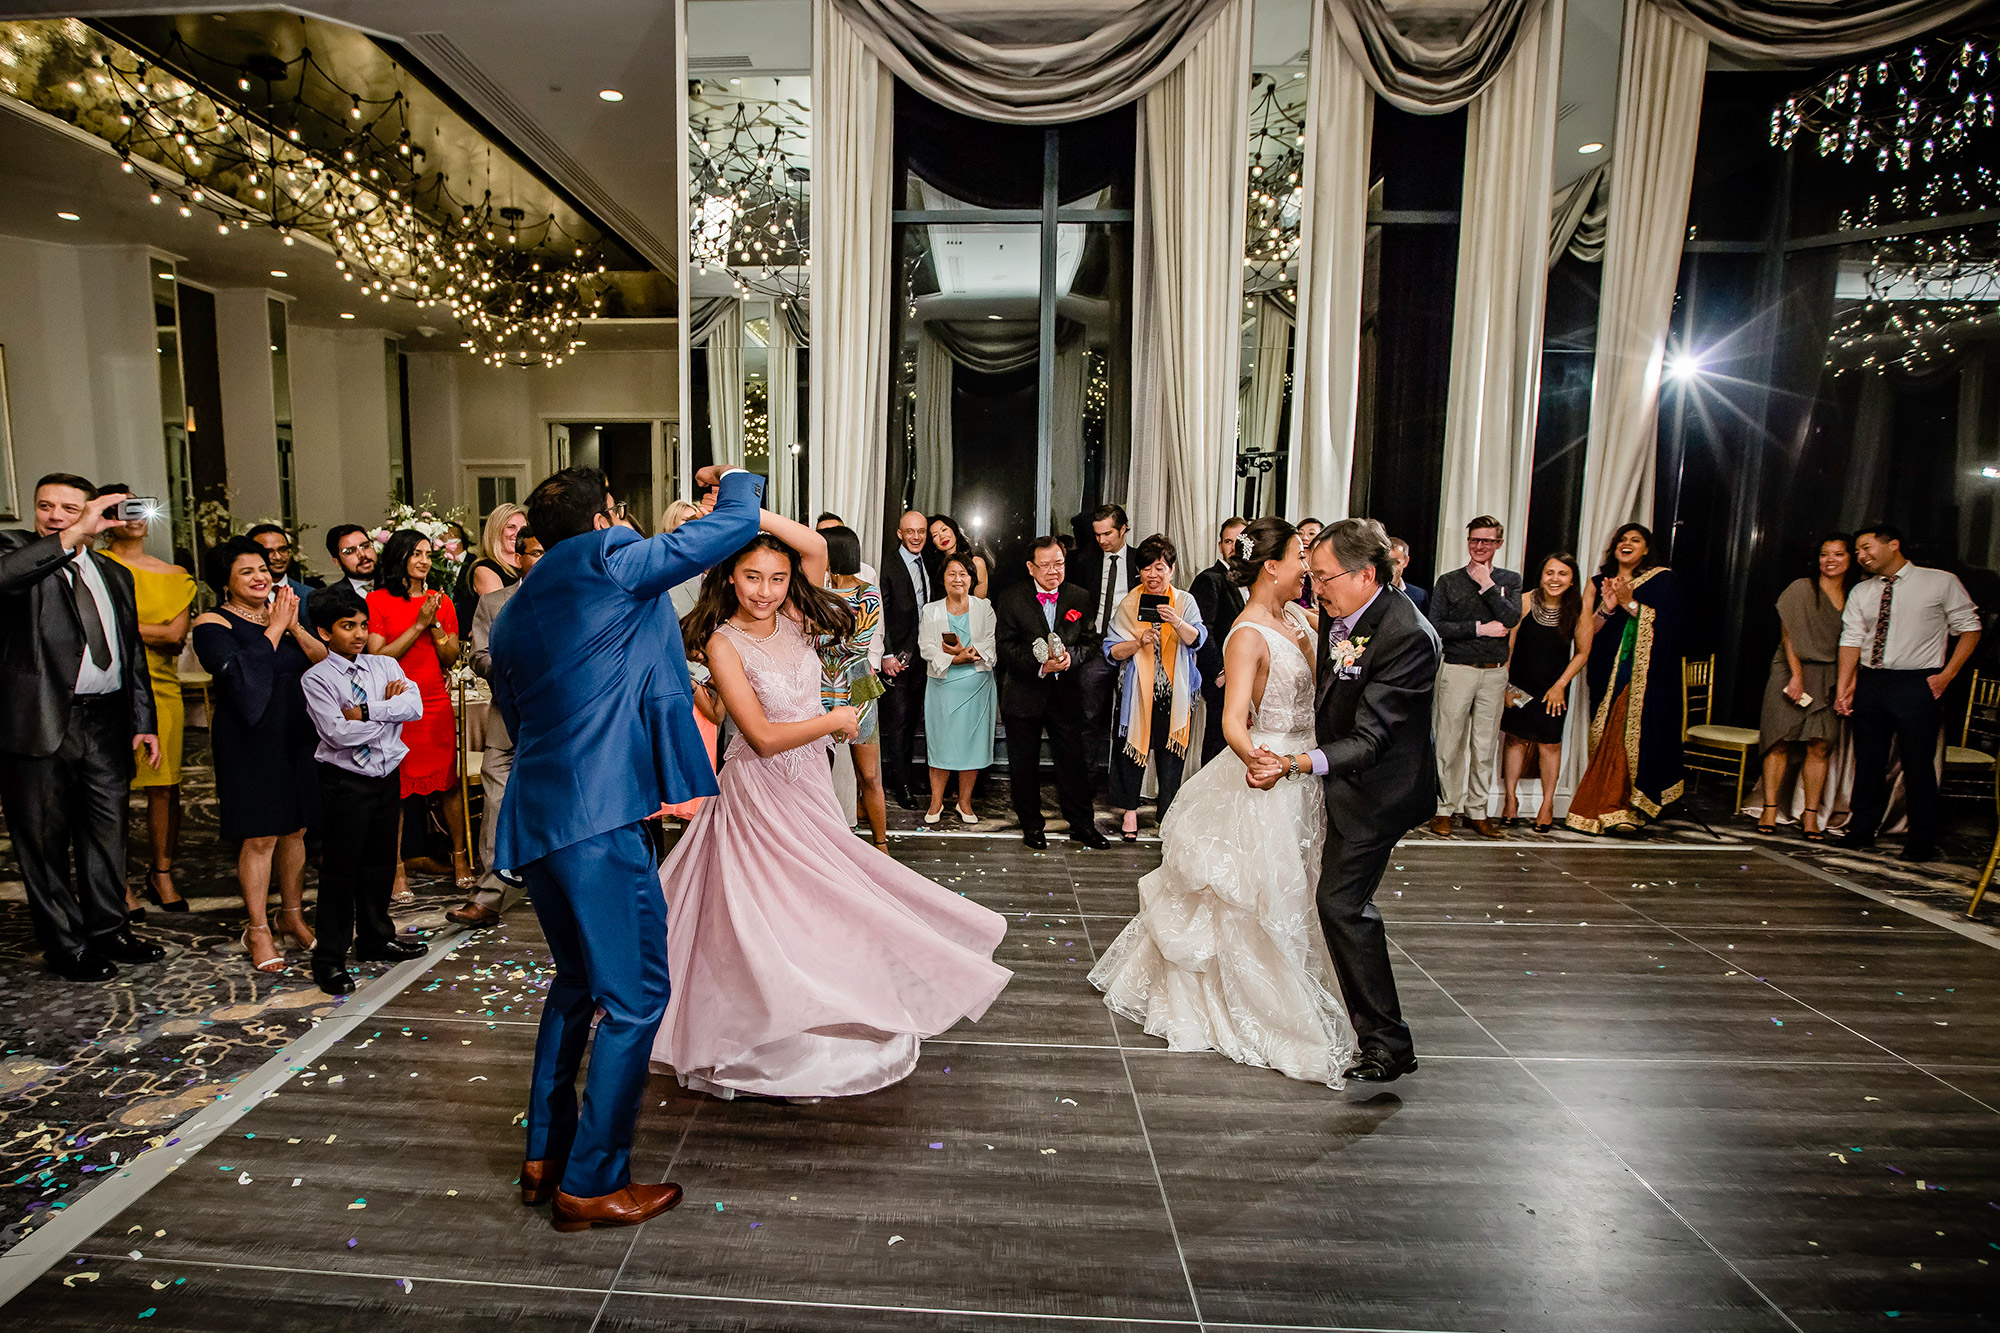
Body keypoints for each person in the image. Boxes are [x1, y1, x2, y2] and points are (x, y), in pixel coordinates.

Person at [651, 515, 1011, 1101]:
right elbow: (761, 737)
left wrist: (747, 507)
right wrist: (835, 720)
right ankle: (769, 1035)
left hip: (810, 784)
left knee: (822, 900)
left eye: (776, 577)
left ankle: (824, 1009)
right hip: (759, 795)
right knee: (772, 911)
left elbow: (817, 544)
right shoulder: (722, 642)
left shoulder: (796, 618)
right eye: (751, 577)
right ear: (730, 578)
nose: (764, 590)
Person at [489, 461, 759, 1232]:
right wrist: (736, 479)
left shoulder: (512, 610)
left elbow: (516, 713)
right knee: (636, 997)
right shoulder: (610, 558)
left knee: (577, 981)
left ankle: (545, 1154)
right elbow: (731, 528)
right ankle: (591, 1182)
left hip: (538, 819)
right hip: (600, 817)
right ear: (607, 515)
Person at [1092, 517, 1357, 1083]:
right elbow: (1234, 721)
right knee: (1259, 898)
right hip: (1269, 776)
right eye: (1298, 557)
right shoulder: (1246, 634)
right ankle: (1269, 1008)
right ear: (1272, 567)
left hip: (1306, 769)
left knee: (1304, 887)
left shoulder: (1299, 620)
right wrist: (1261, 758)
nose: (1306, 566)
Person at [1246, 517, 1438, 1083]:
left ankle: (1388, 1043)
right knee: (1322, 895)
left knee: (1340, 903)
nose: (1316, 586)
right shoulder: (1346, 614)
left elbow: (1373, 739)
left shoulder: (1407, 635)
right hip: (1340, 777)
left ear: (1366, 575)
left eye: (1325, 577)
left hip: (1379, 791)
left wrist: (1293, 764)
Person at [0, 474, 164, 982]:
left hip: (106, 720)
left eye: (69, 508)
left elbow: (131, 653)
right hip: (41, 720)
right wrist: (70, 536)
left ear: (90, 511)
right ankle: (65, 945)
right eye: (45, 505)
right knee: (44, 844)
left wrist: (143, 720)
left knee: (106, 835)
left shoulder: (114, 574)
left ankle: (108, 929)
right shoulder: (18, 553)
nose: (54, 515)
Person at [192, 536, 328, 973]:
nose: (260, 576)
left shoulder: (281, 615)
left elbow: (323, 660)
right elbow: (240, 674)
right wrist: (273, 627)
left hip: (296, 731)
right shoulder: (212, 623)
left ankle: (292, 916)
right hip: (249, 738)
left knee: (296, 830)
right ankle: (257, 928)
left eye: (262, 568)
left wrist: (291, 625)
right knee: (260, 835)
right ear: (226, 582)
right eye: (246, 571)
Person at [300, 585, 427, 994]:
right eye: (347, 626)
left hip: (386, 777)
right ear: (324, 632)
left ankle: (374, 937)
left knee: (380, 863)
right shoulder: (317, 679)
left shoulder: (384, 667)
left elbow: (415, 707)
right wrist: (388, 718)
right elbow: (338, 733)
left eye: (363, 625)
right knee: (340, 871)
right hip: (345, 784)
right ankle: (330, 959)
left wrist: (369, 711)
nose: (358, 633)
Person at [1837, 524, 1981, 862]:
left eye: (1866, 547)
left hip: (1917, 682)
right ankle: (1861, 830)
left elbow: (1970, 629)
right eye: (1857, 550)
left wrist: (1946, 676)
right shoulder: (1862, 591)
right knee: (1868, 760)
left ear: (1893, 545)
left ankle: (1921, 839)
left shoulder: (1939, 582)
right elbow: (1851, 639)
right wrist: (1845, 686)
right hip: (1872, 681)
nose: (1861, 556)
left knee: (1918, 764)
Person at [98, 485, 196, 916]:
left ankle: (161, 872)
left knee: (165, 785)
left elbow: (175, 636)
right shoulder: (94, 566)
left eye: (139, 506)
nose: (132, 515)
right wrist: (147, 631)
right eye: (120, 508)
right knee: (110, 787)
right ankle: (114, 878)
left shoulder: (175, 575)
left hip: (161, 687)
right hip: (106, 688)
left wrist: (122, 628)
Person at [448, 527, 544, 928]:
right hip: (508, 720)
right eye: (536, 553)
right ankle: (488, 896)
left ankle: (559, 892)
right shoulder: (493, 603)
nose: (542, 561)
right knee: (496, 804)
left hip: (560, 726)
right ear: (517, 557)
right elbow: (478, 657)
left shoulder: (572, 599)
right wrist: (513, 670)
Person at [1566, 524, 1686, 835]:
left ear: (1647, 550)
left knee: (1625, 736)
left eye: (1635, 540)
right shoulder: (1598, 582)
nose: (1626, 543)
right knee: (1607, 735)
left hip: (1644, 679)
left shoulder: (1662, 581)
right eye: (1622, 539)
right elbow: (1585, 636)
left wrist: (1630, 603)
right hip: (1607, 671)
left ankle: (1619, 807)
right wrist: (1607, 609)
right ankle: (1606, 805)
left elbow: (1670, 629)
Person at [366, 530, 470, 890]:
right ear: (400, 558)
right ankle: (396, 869)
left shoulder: (440, 600)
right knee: (395, 787)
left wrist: (436, 621)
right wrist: (419, 625)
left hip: (434, 701)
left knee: (448, 784)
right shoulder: (377, 601)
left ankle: (460, 858)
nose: (424, 560)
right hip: (395, 702)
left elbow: (451, 656)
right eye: (416, 554)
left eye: (427, 554)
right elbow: (378, 656)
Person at [994, 536, 1109, 850]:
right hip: (1023, 694)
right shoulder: (1011, 597)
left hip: (1067, 695)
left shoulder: (1080, 596)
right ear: (1031, 567)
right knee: (1024, 765)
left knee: (1074, 764)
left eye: (1058, 563)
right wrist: (1040, 665)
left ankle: (1082, 825)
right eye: (1045, 565)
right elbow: (1004, 647)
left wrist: (1071, 658)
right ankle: (1031, 826)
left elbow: (1091, 642)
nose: (1053, 571)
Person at [1105, 534, 1208, 840]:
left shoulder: (1185, 601)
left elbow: (1197, 639)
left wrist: (1176, 622)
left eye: (1160, 567)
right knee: (1130, 754)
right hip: (1136, 694)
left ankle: (1167, 817)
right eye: (1147, 568)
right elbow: (1111, 651)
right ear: (1139, 571)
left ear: (1172, 570)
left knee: (1171, 758)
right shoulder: (1128, 603)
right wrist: (1138, 642)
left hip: (1174, 694)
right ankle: (1130, 814)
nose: (1153, 575)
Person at [1426, 515, 1522, 839]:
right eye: (1474, 540)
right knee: (1448, 743)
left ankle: (1477, 812)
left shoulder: (1510, 579)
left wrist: (1489, 587)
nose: (1480, 546)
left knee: (1484, 745)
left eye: (1487, 541)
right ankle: (1443, 809)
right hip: (1457, 669)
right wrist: (1480, 629)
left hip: (1494, 673)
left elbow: (1511, 617)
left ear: (1499, 543)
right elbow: (1436, 625)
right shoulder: (1449, 581)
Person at [1757, 535, 1855, 839]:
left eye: (1838, 554)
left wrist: (1846, 685)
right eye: (1825, 554)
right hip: (1789, 668)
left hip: (1831, 675)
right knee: (1779, 740)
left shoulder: (1857, 595)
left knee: (1820, 745)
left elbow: (1858, 644)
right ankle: (1769, 808)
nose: (1830, 560)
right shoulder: (1801, 588)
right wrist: (1796, 677)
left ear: (1850, 559)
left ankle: (1810, 816)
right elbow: (1789, 637)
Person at [1499, 553, 1593, 833]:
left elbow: (1582, 653)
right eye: (1549, 573)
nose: (1555, 579)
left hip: (1554, 689)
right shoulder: (1526, 601)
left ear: (1572, 578)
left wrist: (1560, 685)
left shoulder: (1577, 609)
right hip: (1519, 684)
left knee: (1550, 745)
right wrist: (1505, 685)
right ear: (1541, 575)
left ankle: (1547, 804)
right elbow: (1509, 647)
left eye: (1562, 574)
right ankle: (1510, 801)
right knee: (1515, 740)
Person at [821, 524, 888, 851]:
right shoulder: (814, 592)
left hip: (858, 691)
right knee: (818, 778)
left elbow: (857, 645)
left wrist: (817, 639)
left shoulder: (868, 592)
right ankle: (824, 842)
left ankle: (881, 844)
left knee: (870, 776)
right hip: (818, 691)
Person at [920, 553, 998, 824]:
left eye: (963, 574)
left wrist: (967, 653)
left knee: (971, 747)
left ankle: (964, 804)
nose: (958, 579)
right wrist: (954, 659)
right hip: (943, 685)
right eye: (952, 573)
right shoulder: (931, 610)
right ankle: (936, 802)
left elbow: (989, 643)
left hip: (977, 685)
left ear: (971, 579)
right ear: (943, 578)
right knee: (940, 745)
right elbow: (926, 647)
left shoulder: (984, 607)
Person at [1078, 503, 1139, 788]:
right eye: (1097, 534)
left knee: (1130, 716)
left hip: (1133, 645)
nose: (1102, 540)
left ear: (1123, 529)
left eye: (1108, 534)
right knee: (1088, 715)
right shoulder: (1085, 562)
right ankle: (1087, 780)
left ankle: (1123, 783)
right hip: (1096, 645)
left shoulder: (1140, 562)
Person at [878, 509, 933, 809]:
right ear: (900, 533)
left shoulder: (928, 562)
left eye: (921, 531)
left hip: (923, 657)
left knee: (914, 722)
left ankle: (909, 777)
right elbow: (880, 613)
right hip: (896, 659)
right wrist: (886, 653)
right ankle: (900, 787)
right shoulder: (888, 563)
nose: (916, 537)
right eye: (910, 531)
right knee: (898, 724)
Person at [1190, 516, 1249, 765]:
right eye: (1228, 541)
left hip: (1245, 675)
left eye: (1239, 541)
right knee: (1217, 739)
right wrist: (1218, 672)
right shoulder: (1210, 579)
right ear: (1219, 545)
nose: (1233, 547)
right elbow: (1204, 632)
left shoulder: (1252, 581)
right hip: (1221, 676)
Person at [453, 503, 526, 633]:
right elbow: (501, 616)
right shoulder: (485, 569)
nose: (518, 533)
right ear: (496, 530)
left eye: (523, 529)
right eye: (510, 527)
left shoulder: (528, 566)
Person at [926, 514, 990, 600]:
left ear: (954, 530)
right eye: (935, 535)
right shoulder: (933, 567)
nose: (942, 537)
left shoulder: (976, 563)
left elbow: (979, 605)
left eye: (944, 530)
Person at [248, 523, 317, 598]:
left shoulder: (309, 595)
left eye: (283, 550)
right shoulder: (245, 594)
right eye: (269, 552)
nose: (278, 557)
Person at [815, 512, 877, 584]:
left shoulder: (866, 572)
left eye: (834, 533)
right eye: (822, 534)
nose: (828, 538)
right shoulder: (812, 571)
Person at [324, 524, 377, 597]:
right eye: (350, 551)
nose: (362, 554)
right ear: (337, 562)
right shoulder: (332, 598)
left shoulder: (393, 585)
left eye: (365, 546)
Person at [1388, 537, 1427, 612]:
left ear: (1406, 561)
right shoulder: (1367, 593)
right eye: (1387, 562)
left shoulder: (1419, 596)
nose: (1391, 568)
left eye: (1396, 562)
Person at [1292, 518, 1323, 610]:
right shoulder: (1292, 571)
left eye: (1311, 534)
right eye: (1300, 533)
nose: (1304, 538)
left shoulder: (1327, 570)